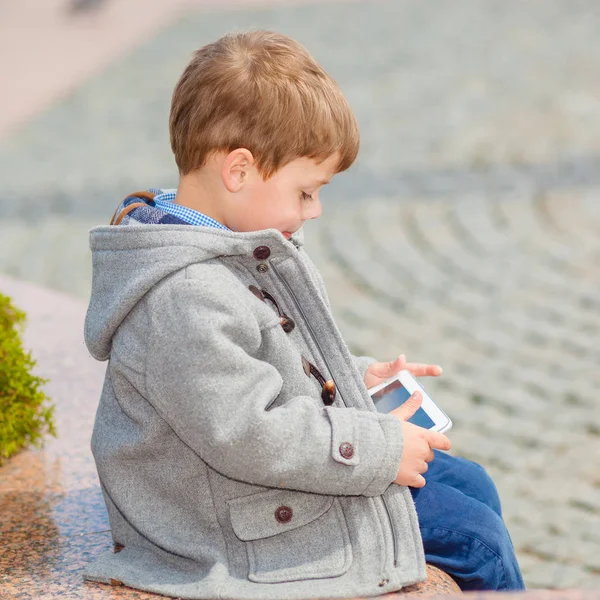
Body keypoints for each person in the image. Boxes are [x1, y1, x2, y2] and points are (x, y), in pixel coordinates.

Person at [83, 30, 524, 599]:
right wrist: (382, 449)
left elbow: (257, 364)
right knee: (476, 539)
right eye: (307, 191)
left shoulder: (235, 244)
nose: (314, 211)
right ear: (238, 170)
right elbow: (248, 433)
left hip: (270, 478)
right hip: (234, 514)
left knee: (473, 483)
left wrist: (349, 375)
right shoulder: (183, 297)